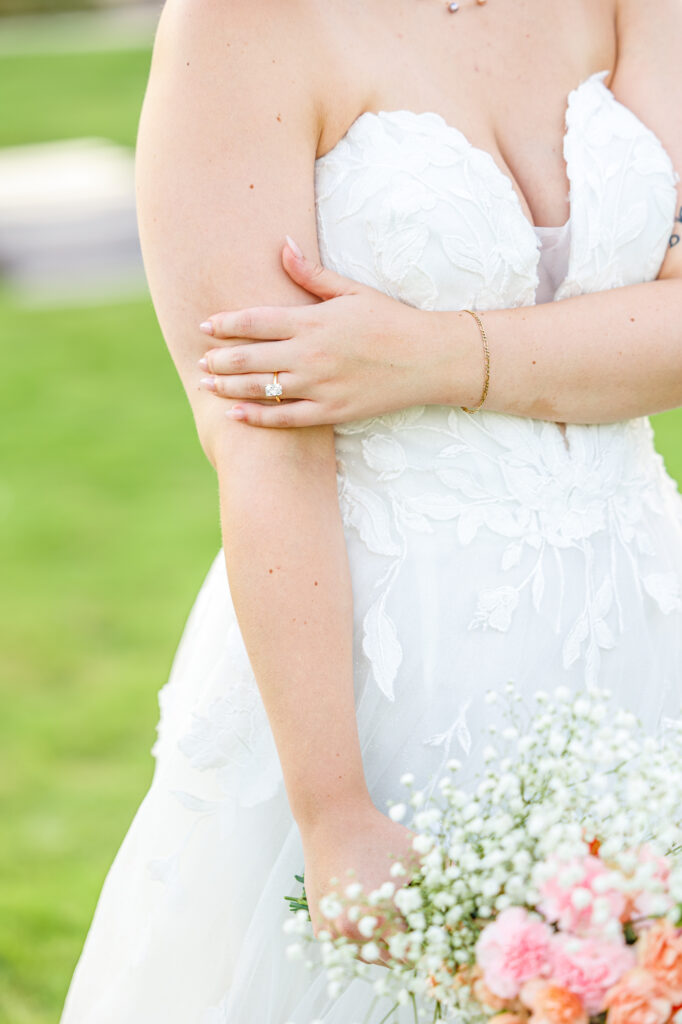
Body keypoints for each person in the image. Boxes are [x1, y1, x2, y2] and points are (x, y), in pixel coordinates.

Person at [59, 0, 682, 1020]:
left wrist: (434, 354)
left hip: (643, 624)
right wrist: (332, 805)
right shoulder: (240, 25)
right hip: (379, 662)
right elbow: (266, 432)